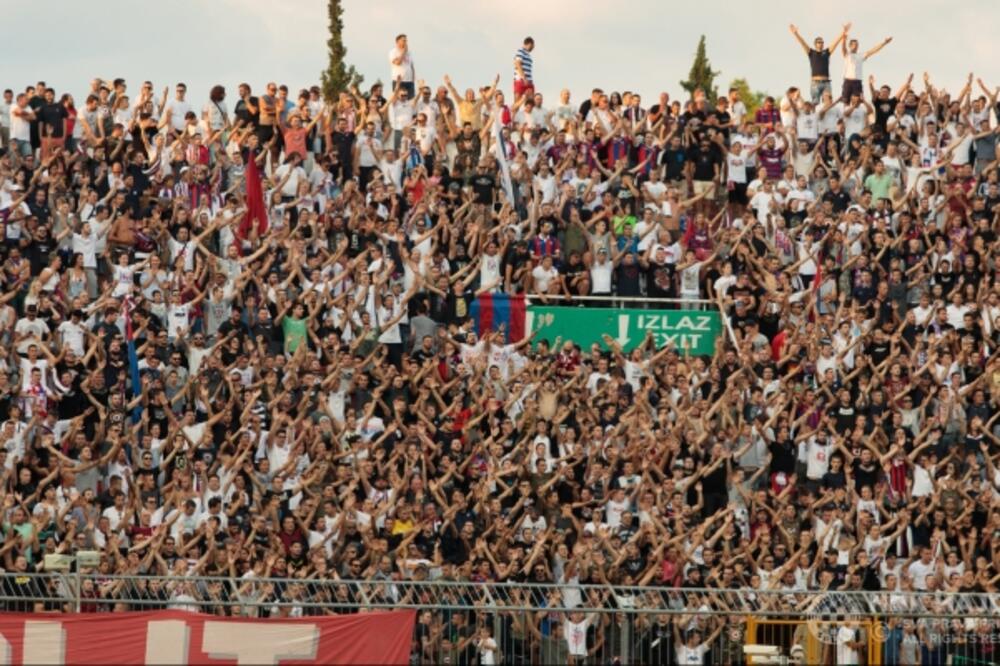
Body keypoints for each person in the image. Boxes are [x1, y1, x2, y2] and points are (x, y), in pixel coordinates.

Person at [789, 23, 849, 103]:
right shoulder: (811, 52)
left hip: (826, 83)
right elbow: (802, 42)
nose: (821, 43)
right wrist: (796, 33)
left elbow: (835, 43)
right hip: (815, 83)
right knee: (815, 103)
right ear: (815, 44)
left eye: (822, 42)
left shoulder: (826, 52)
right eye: (819, 42)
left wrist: (843, 32)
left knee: (828, 104)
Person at [514, 36, 535, 100]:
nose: (533, 47)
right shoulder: (521, 51)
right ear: (530, 44)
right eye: (533, 45)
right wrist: (524, 78)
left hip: (529, 81)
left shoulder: (528, 54)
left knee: (530, 101)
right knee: (517, 100)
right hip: (520, 80)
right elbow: (517, 63)